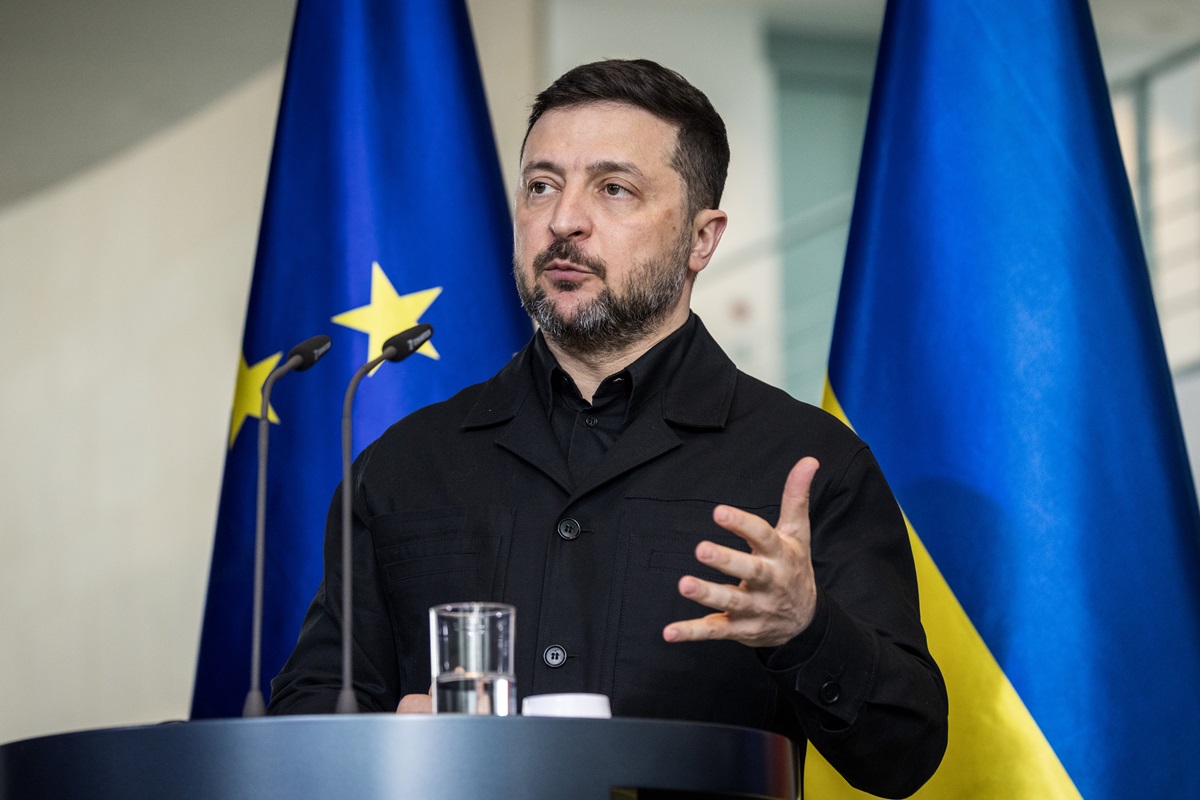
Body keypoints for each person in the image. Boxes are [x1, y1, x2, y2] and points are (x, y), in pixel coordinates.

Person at [269, 58, 948, 797]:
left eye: (613, 188)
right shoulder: (405, 463)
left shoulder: (808, 463)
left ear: (702, 239)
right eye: (541, 185)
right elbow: (309, 714)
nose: (563, 220)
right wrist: (386, 739)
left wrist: (805, 628)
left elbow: (903, 755)